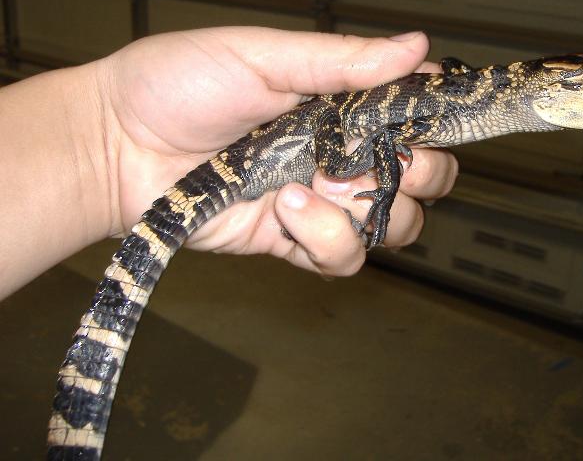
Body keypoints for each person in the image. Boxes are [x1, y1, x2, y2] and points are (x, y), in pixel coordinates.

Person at [0, 27, 458, 300]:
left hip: (269, 159)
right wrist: (109, 137)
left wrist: (107, 149)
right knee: (347, 172)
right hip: (269, 155)